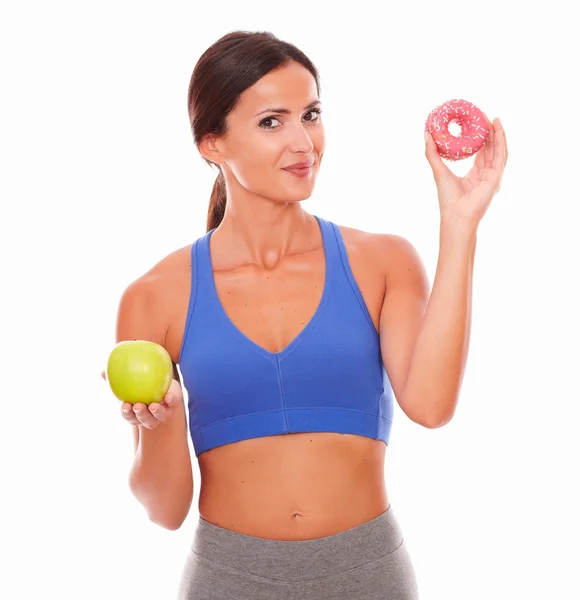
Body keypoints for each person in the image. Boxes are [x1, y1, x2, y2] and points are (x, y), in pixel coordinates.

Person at [103, 29, 507, 600]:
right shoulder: (154, 296)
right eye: (272, 121)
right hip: (227, 578)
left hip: (369, 574)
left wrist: (460, 227)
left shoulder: (382, 262)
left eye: (311, 114)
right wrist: (163, 423)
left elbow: (432, 406)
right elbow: (165, 510)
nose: (304, 142)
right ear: (212, 144)